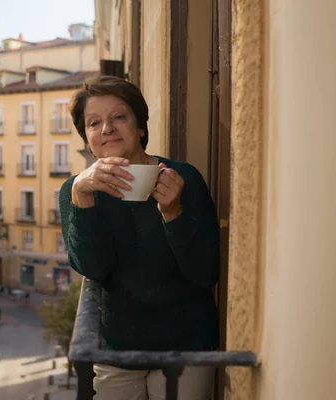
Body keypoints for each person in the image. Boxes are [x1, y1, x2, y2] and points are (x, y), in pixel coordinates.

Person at [59, 76, 220, 400]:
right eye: (94, 123)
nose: (107, 128)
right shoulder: (76, 191)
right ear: (86, 137)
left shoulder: (183, 177)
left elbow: (205, 273)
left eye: (119, 116)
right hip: (117, 349)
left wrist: (173, 212)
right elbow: (94, 267)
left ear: (141, 126)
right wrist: (82, 195)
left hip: (186, 348)